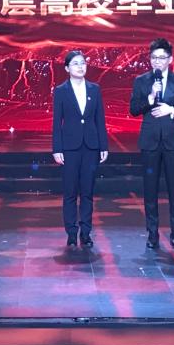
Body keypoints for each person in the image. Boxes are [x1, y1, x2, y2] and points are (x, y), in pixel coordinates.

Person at [129, 38, 174, 249]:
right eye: (154, 58)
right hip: (149, 141)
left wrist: (172, 110)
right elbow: (133, 109)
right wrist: (150, 98)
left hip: (173, 142)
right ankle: (152, 233)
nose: (157, 61)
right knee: (150, 189)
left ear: (170, 59)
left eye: (161, 57)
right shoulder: (141, 81)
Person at [52, 50, 109, 247]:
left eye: (82, 63)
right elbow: (56, 122)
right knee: (70, 192)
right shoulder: (61, 91)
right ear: (67, 68)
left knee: (87, 192)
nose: (80, 66)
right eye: (75, 63)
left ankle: (85, 232)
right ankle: (71, 232)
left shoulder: (94, 89)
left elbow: (100, 119)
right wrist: (57, 148)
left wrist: (103, 145)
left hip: (91, 147)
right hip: (69, 147)